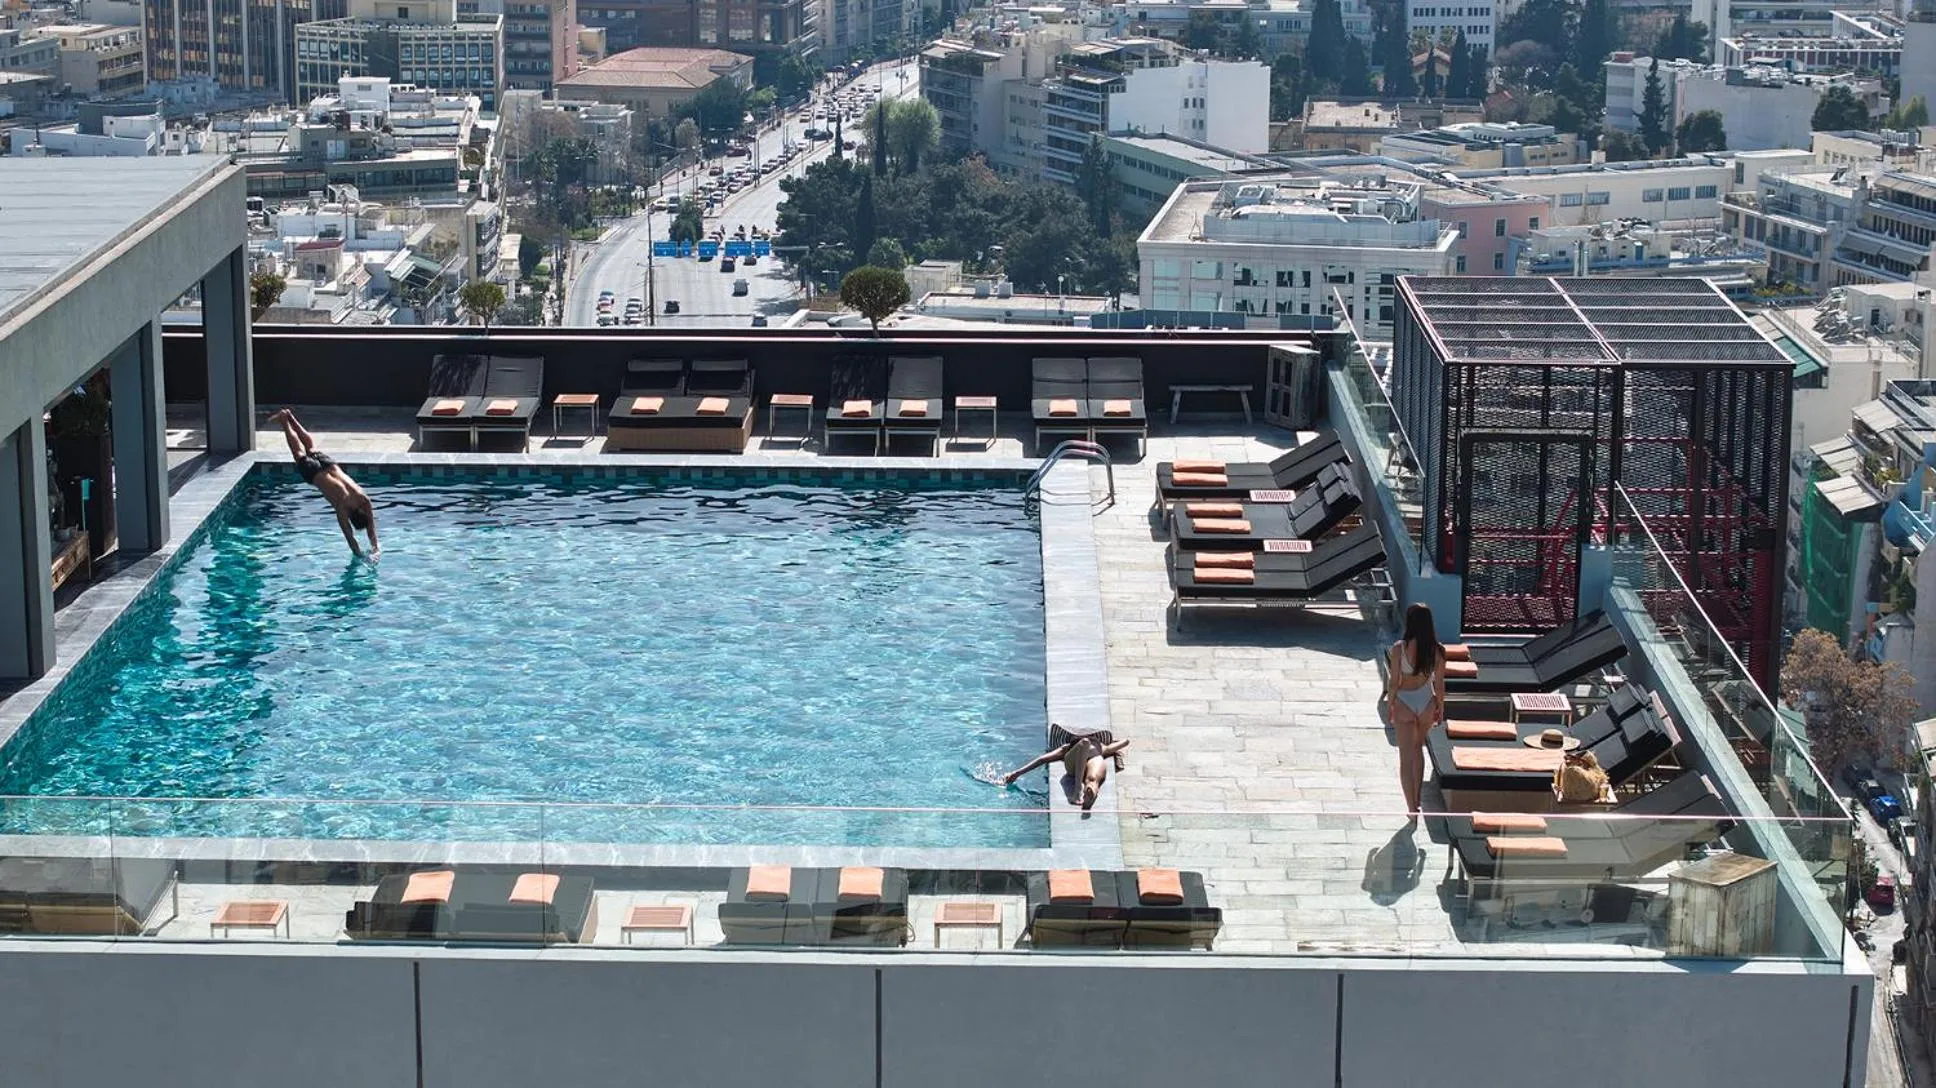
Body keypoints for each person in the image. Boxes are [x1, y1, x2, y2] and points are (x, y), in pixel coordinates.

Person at [268, 408, 379, 558]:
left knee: (311, 447)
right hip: (315, 473)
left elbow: (371, 527)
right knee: (298, 453)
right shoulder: (343, 510)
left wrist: (375, 547)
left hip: (330, 465)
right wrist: (363, 556)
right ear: (352, 519)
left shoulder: (364, 499)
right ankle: (284, 421)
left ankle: (290, 417)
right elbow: (350, 539)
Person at [1387, 602, 1446, 820]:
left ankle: (1411, 808)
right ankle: (1418, 800)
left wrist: (1390, 706)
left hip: (1404, 701)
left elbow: (1394, 683)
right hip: (1426, 702)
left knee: (1405, 758)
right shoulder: (1438, 650)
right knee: (1418, 750)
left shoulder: (1398, 649)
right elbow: (1439, 685)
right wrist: (1440, 707)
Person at [1001, 724, 1130, 811]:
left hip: (1085, 759)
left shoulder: (1070, 748)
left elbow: (1042, 759)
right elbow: (1125, 742)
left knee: (1092, 777)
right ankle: (1084, 789)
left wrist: (1018, 773)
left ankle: (1087, 790)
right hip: (1082, 759)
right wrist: (1017, 773)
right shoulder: (1099, 747)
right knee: (1087, 751)